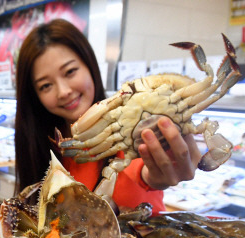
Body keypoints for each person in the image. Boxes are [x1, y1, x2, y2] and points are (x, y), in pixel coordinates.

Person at [14, 19, 202, 213]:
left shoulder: (128, 124)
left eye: (70, 72)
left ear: (90, 66)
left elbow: (141, 168)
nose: (63, 91)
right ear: (34, 96)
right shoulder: (40, 146)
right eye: (46, 85)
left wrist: (160, 170)